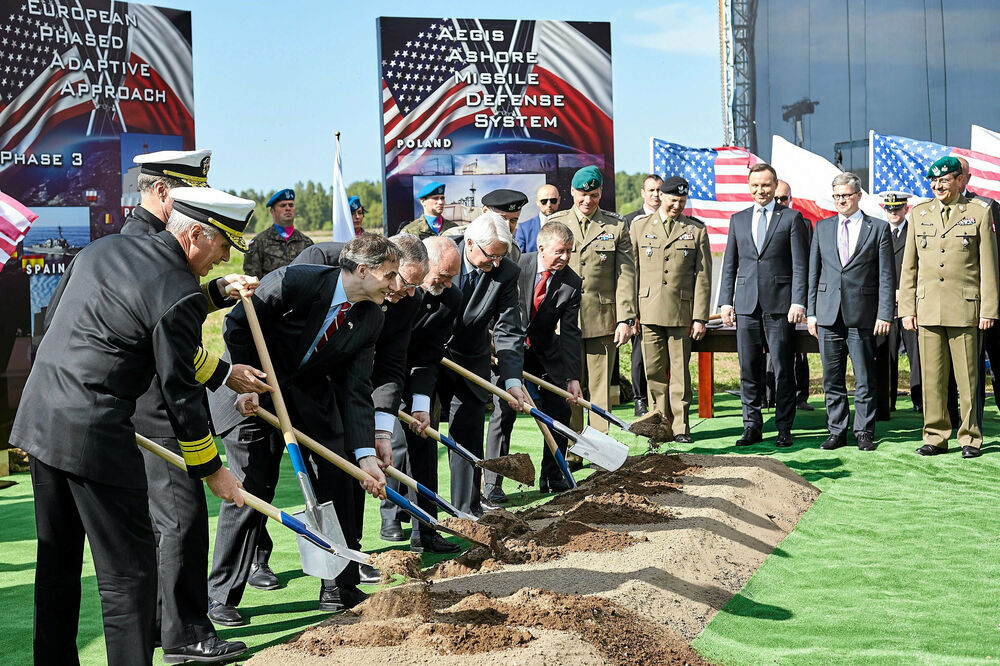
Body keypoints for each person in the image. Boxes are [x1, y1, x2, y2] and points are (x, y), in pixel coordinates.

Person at [10, 188, 251, 665]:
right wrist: (212, 470)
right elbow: (181, 393)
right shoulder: (178, 291)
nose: (223, 258)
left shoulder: (104, 248)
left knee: (56, 564)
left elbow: (51, 324)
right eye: (224, 244)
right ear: (196, 233)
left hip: (40, 417)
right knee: (129, 576)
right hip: (94, 434)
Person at [121, 151, 268, 662]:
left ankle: (173, 626)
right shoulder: (145, 246)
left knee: (171, 524)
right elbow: (170, 346)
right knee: (180, 521)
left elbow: (177, 330)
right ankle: (185, 634)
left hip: (149, 399)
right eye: (188, 196)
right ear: (164, 195)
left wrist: (225, 369)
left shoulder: (144, 243)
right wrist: (211, 467)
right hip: (154, 407)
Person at [206, 234, 396, 625]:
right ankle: (221, 596)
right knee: (251, 486)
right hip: (249, 390)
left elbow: (356, 387)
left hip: (306, 399)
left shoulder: (371, 316)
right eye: (389, 275)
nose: (396, 286)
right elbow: (239, 324)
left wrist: (363, 454)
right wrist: (243, 380)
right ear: (362, 270)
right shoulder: (296, 280)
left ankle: (337, 585)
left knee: (340, 475)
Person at [293, 234, 458, 556]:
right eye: (404, 281)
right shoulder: (319, 261)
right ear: (383, 267)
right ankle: (259, 561)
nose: (410, 293)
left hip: (353, 386)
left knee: (353, 464)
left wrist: (381, 427)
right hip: (291, 383)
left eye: (416, 285)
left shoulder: (407, 299)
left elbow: (394, 363)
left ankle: (349, 555)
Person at [899, 155, 999, 458]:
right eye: (933, 181)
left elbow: (989, 267)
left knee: (969, 378)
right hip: (927, 308)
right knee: (932, 377)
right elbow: (909, 266)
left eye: (944, 180)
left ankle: (970, 438)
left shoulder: (979, 212)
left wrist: (988, 310)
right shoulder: (919, 213)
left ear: (959, 180)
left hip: (965, 308)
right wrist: (907, 308)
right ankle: (935, 435)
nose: (937, 185)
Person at [436, 212, 526, 516]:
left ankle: (466, 510)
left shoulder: (506, 271)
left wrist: (513, 380)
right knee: (417, 436)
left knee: (466, 435)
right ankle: (406, 516)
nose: (497, 263)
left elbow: (509, 328)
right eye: (492, 256)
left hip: (470, 359)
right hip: (427, 357)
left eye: (502, 256)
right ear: (470, 244)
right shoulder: (441, 253)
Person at [485, 221, 583, 497]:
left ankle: (552, 477)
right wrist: (491, 341)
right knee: (503, 413)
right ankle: (493, 483)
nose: (565, 257)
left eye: (569, 252)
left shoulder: (572, 283)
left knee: (560, 410)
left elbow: (571, 333)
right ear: (542, 248)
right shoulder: (516, 266)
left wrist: (572, 377)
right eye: (559, 251)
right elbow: (491, 307)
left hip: (544, 354)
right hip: (505, 349)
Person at [378, 236, 464, 548]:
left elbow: (429, 355)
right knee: (394, 447)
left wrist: (421, 404)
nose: (447, 282)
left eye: (453, 276)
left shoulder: (451, 299)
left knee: (423, 442)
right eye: (442, 274)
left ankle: (426, 530)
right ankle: (391, 515)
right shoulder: (386, 292)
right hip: (380, 376)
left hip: (416, 376)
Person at [718, 163, 808, 448]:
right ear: (749, 186)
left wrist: (798, 301)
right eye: (755, 185)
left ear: (774, 185)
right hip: (746, 306)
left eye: (766, 185)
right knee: (748, 369)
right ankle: (752, 426)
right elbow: (730, 265)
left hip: (780, 306)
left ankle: (784, 428)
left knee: (783, 369)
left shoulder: (791, 218)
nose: (761, 190)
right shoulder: (738, 220)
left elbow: (800, 266)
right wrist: (724, 302)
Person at [806, 173, 894, 451]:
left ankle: (864, 431)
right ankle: (836, 430)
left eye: (845, 195)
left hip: (863, 315)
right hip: (828, 314)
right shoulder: (822, 227)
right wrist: (811, 312)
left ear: (858, 196)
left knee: (864, 376)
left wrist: (884, 313)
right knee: (832, 377)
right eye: (836, 196)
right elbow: (813, 273)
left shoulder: (878, 228)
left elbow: (886, 276)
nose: (841, 200)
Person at [547, 166, 636, 436]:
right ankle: (573, 449)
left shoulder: (616, 225)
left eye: (594, 195)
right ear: (572, 193)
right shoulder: (556, 224)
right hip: (564, 320)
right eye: (583, 195)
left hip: (602, 319)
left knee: (600, 392)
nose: (588, 201)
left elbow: (625, 275)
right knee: (569, 389)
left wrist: (625, 318)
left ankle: (599, 449)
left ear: (601, 194)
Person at [630, 176, 712, 443]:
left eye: (682, 201)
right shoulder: (640, 227)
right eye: (673, 199)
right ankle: (659, 424)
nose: (677, 205)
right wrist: (631, 313)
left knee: (679, 371)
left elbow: (703, 276)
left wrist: (700, 316)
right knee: (653, 371)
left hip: (680, 312)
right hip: (648, 309)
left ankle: (680, 426)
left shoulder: (696, 230)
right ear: (661, 197)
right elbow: (631, 273)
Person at [765, 180, 813, 411]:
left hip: (794, 298)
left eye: (783, 199)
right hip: (768, 299)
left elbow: (806, 265)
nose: (779, 203)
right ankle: (768, 396)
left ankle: (800, 396)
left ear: (791, 199)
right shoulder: (760, 221)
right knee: (770, 354)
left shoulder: (802, 223)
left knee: (799, 352)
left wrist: (802, 300)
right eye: (775, 198)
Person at [873, 191, 923, 417]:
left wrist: (905, 292)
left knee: (917, 355)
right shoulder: (878, 232)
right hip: (885, 305)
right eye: (889, 209)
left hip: (910, 303)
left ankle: (920, 400)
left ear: (906, 209)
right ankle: (885, 403)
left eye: (897, 209)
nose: (893, 213)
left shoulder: (915, 232)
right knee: (885, 355)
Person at [624, 174, 664, 417]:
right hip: (640, 299)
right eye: (651, 190)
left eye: (660, 190)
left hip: (664, 299)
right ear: (643, 193)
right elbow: (629, 268)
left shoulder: (673, 221)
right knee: (639, 354)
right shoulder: (630, 222)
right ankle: (640, 399)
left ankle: (660, 400)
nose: (656, 195)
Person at [242, 188, 314, 278]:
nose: (288, 208)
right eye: (283, 205)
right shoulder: (259, 242)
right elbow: (252, 278)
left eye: (291, 205)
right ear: (272, 211)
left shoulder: (307, 243)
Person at [482, 188, 529, 263]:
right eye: (502, 218)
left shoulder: (513, 251)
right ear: (485, 212)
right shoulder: (460, 242)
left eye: (513, 220)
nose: (507, 226)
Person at [516, 184, 561, 253]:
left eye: (553, 200)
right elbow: (519, 257)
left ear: (559, 200)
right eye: (544, 201)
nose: (549, 205)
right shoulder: (524, 228)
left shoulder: (568, 224)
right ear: (537, 202)